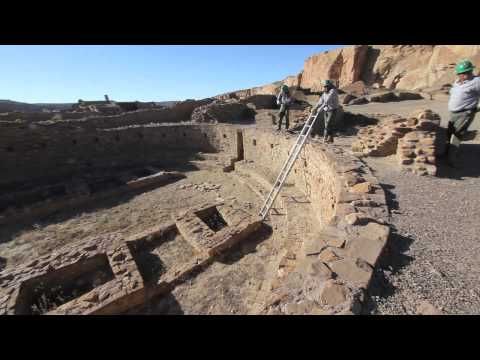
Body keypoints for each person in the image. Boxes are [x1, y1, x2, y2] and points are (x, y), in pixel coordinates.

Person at [444, 59, 480, 167]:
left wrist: (477, 108)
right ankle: (448, 152)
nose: (463, 75)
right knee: (449, 132)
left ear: (470, 72)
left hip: (465, 113)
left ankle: (451, 159)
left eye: (465, 73)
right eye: (460, 73)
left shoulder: (476, 82)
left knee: (457, 134)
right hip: (453, 112)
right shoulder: (457, 81)